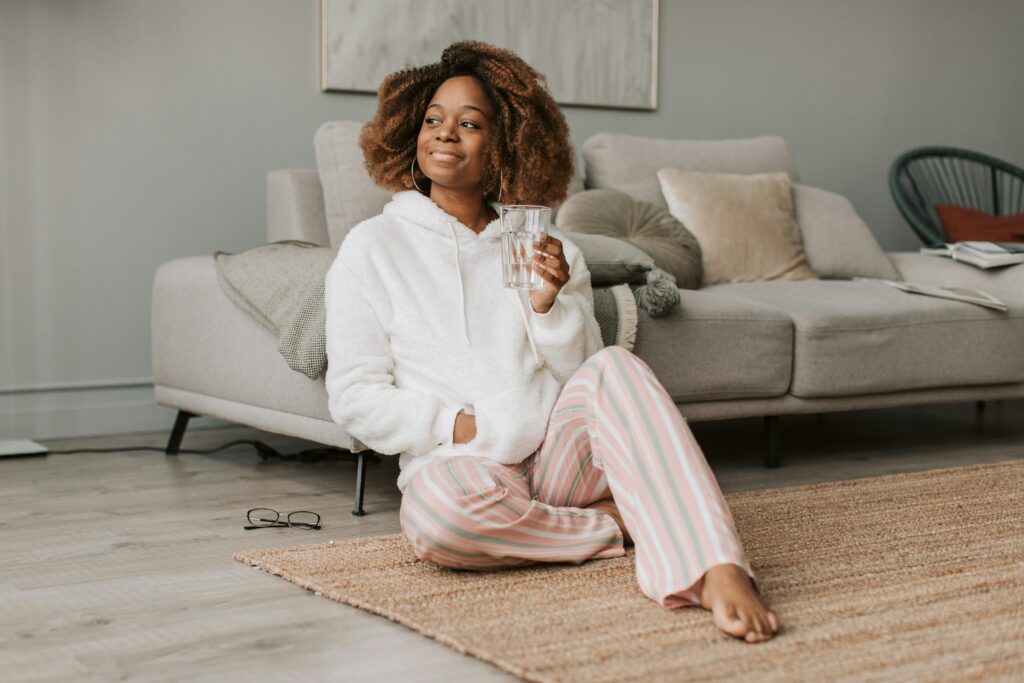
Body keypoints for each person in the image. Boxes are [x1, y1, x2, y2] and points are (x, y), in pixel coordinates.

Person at [324, 41, 781, 643]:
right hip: (465, 463)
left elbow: (587, 378)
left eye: (470, 123)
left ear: (507, 144)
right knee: (437, 522)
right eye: (433, 119)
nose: (445, 135)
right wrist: (457, 425)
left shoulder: (548, 247)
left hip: (560, 458)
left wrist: (549, 306)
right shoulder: (372, 248)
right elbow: (354, 396)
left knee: (616, 365)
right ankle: (616, 526)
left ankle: (715, 566)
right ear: (410, 131)